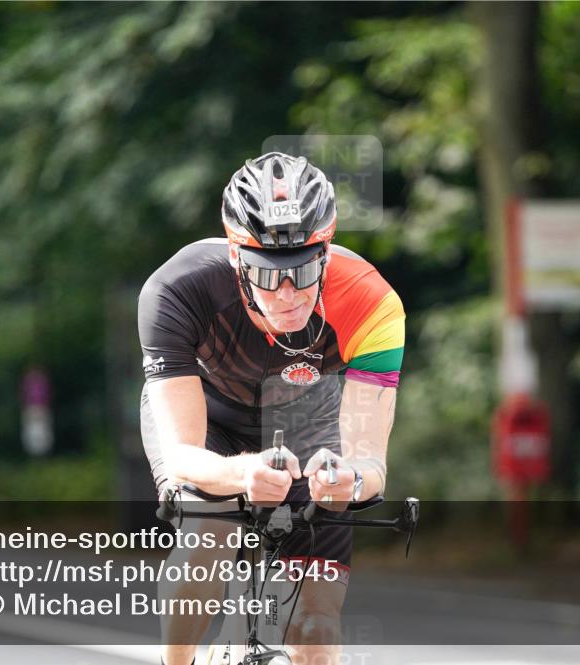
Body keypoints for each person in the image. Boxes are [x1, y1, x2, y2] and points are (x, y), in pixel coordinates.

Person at [139, 152, 404, 665]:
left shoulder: (372, 304)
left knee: (317, 629)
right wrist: (241, 473)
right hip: (208, 422)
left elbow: (371, 464)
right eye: (267, 273)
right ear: (238, 259)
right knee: (208, 532)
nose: (287, 293)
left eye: (304, 271)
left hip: (306, 424)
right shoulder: (176, 290)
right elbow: (182, 455)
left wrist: (345, 481)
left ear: (326, 253)